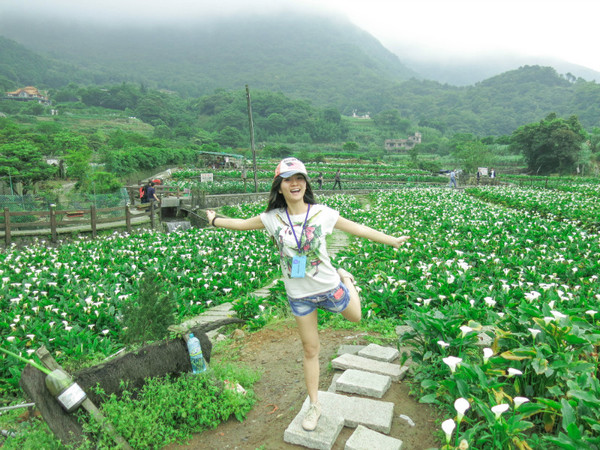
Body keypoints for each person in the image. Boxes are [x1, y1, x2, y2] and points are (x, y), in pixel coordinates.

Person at [206, 157, 409, 432]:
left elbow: (358, 229)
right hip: (299, 296)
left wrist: (392, 240)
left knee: (357, 318)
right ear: (279, 187)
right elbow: (241, 223)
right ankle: (315, 405)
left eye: (299, 178)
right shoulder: (271, 218)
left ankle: (346, 279)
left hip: (329, 288)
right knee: (310, 350)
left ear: (305, 183)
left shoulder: (322, 213)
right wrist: (215, 220)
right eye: (288, 179)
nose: (295, 183)